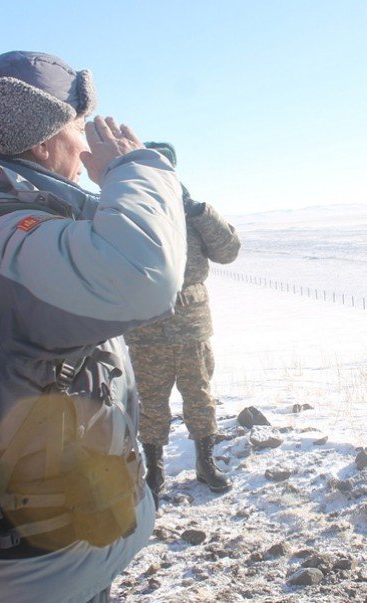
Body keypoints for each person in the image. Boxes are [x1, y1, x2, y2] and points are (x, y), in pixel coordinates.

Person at [0, 51, 187, 602]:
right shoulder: (7, 238)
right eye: (79, 127)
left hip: (50, 542)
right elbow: (142, 272)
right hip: (43, 567)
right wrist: (136, 169)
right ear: (41, 140)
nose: (87, 147)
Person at [124, 142, 240, 506]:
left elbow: (229, 251)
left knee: (200, 397)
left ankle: (205, 463)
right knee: (151, 401)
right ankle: (155, 470)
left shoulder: (193, 214)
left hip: (192, 326)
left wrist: (200, 212)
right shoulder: (129, 209)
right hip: (147, 327)